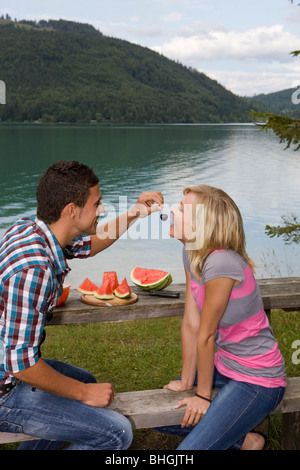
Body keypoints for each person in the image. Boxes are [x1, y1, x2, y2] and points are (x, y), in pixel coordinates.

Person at [0, 160, 164, 450]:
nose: (101, 209)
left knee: (85, 379)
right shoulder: (33, 270)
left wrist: (135, 212)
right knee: (117, 433)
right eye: (96, 203)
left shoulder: (31, 229)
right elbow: (21, 364)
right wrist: (84, 393)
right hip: (6, 390)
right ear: (71, 210)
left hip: (8, 368)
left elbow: (88, 244)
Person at [155, 184, 286, 450]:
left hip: (257, 379)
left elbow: (207, 334)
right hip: (226, 365)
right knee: (154, 414)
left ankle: (234, 434)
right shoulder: (192, 252)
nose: (171, 210)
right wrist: (186, 380)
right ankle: (245, 441)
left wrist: (202, 396)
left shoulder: (221, 262)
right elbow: (192, 323)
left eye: (181, 209)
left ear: (201, 225)